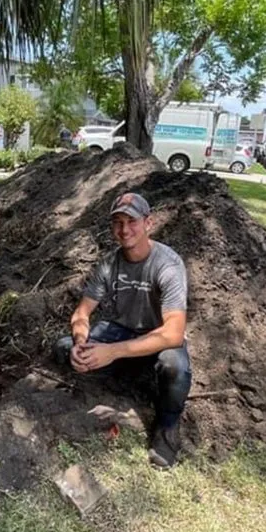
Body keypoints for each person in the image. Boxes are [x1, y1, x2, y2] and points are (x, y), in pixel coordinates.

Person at [54, 191, 191, 468]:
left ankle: (167, 428)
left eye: (132, 221)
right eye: (118, 222)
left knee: (175, 366)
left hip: (156, 337)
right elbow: (82, 312)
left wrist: (112, 352)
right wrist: (81, 342)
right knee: (63, 348)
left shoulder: (168, 264)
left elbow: (174, 333)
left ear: (148, 223)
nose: (124, 230)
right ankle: (127, 375)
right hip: (119, 331)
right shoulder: (109, 264)